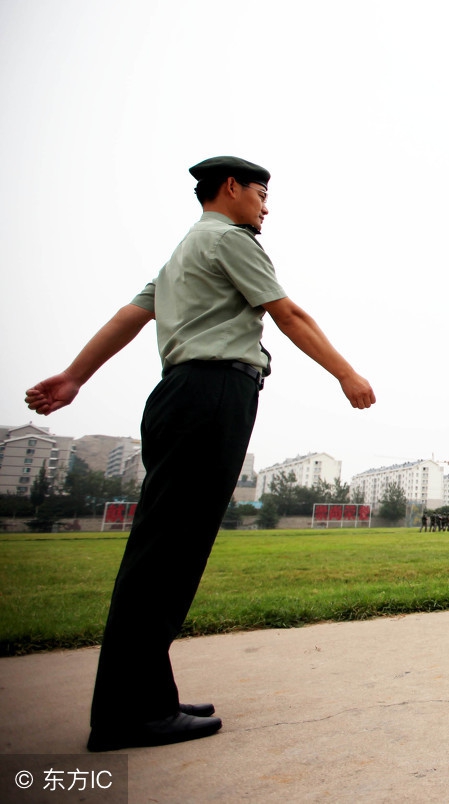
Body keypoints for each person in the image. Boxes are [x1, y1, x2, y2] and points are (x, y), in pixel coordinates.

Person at [24, 156, 377, 751]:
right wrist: (346, 373)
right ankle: (130, 714)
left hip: (180, 395)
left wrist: (74, 377)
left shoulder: (185, 252)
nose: (266, 207)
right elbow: (288, 313)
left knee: (163, 548)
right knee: (169, 553)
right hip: (212, 394)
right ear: (231, 188)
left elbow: (129, 317)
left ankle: (146, 698)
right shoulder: (231, 240)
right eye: (261, 194)